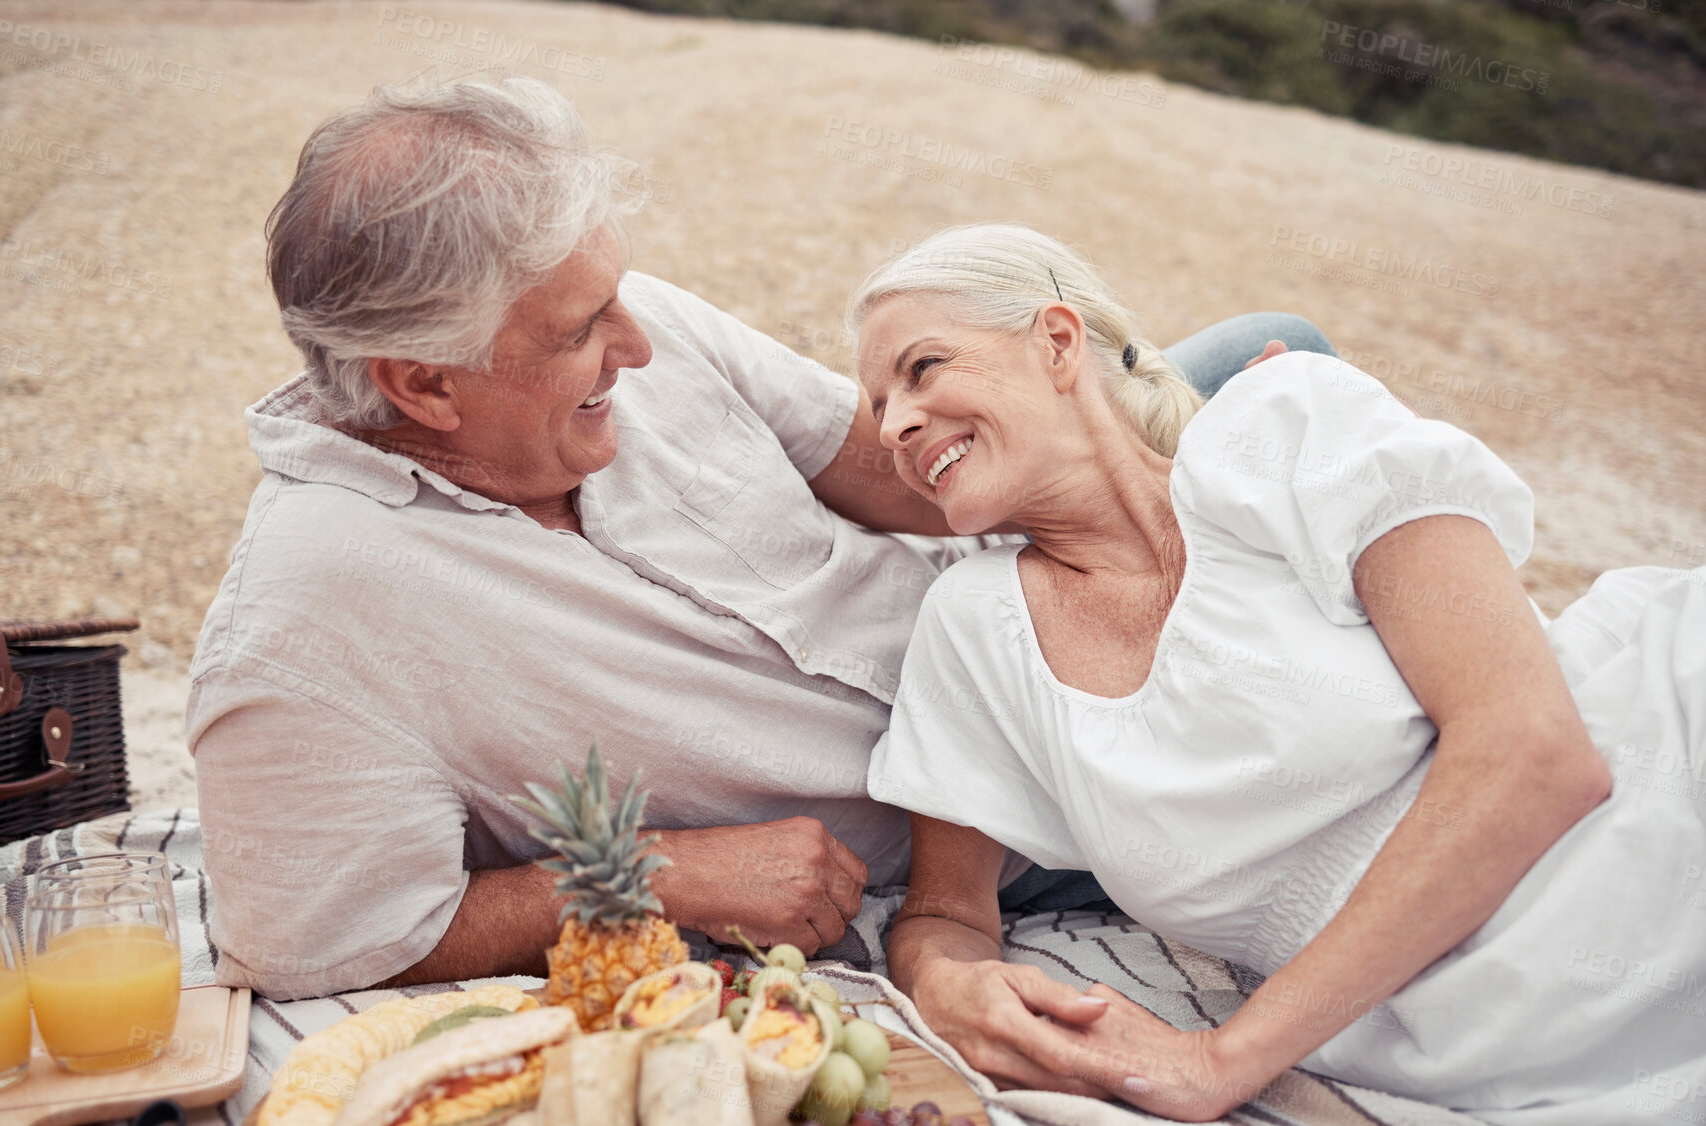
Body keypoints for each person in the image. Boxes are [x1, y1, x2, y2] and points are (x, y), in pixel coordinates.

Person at [187, 77, 1333, 1002]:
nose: (639, 345)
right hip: (1003, 831)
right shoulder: (304, 618)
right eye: (585, 330)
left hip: (1025, 608)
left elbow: (897, 472)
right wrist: (655, 878)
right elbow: (316, 939)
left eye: (618, 294)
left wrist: (1130, 496)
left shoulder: (637, 328)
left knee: (1278, 356)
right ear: (423, 386)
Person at [855, 222, 1706, 1126]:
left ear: (1056, 343)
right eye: (878, 405)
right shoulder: (975, 630)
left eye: (921, 368)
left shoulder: (1282, 426)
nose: (894, 424)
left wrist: (1221, 1061)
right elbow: (944, 911)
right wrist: (948, 980)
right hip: (1508, 1047)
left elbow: (1534, 752)